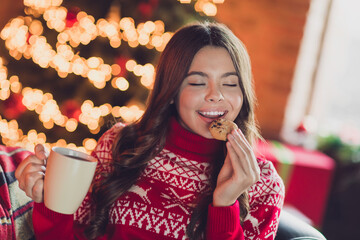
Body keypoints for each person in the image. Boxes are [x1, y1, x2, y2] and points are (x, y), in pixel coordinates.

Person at [15, 22, 285, 240]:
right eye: (197, 82)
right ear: (171, 91)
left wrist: (225, 203)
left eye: (230, 84)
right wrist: (48, 202)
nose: (216, 96)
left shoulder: (263, 185)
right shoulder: (119, 144)